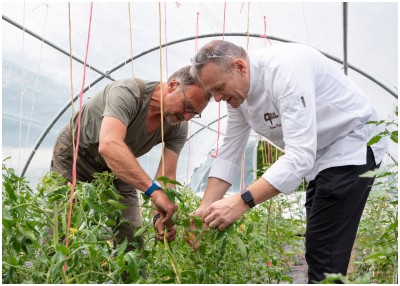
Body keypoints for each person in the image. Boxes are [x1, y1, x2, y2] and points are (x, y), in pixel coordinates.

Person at [189, 40, 388, 283]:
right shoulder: (237, 99)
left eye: (219, 88)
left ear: (240, 66)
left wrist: (241, 202)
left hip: (351, 142)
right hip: (319, 157)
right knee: (318, 245)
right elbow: (229, 154)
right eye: (213, 93)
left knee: (325, 251)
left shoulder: (285, 70)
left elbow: (299, 155)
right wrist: (204, 208)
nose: (218, 99)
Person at [51, 65, 210, 246]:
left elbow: (166, 176)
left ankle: (129, 274)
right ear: (173, 85)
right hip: (76, 156)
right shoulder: (128, 92)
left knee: (131, 235)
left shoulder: (178, 127)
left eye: (194, 113)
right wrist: (154, 192)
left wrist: (161, 215)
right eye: (187, 106)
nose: (187, 116)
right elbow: (109, 145)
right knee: (60, 227)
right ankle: (47, 273)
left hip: (118, 167)